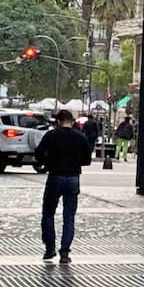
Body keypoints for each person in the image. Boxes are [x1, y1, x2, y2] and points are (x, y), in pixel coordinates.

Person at [34, 109, 92, 264]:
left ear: (58, 121)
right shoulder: (80, 137)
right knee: (69, 216)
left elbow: (38, 154)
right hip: (73, 178)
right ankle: (65, 253)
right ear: (71, 121)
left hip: (55, 176)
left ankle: (50, 248)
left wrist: (48, 162)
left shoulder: (51, 135)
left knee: (48, 213)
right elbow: (87, 159)